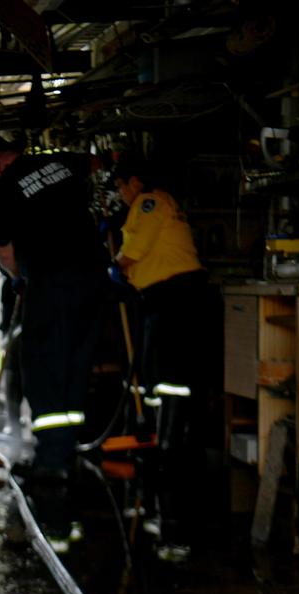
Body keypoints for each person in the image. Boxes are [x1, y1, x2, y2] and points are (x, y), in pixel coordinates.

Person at [0, 136, 106, 488]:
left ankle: (51, 462)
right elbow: (97, 164)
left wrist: (18, 281)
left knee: (43, 367)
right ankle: (67, 451)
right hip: (94, 279)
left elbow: (6, 254)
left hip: (51, 282)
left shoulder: (2, 195)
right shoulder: (62, 162)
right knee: (75, 365)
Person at [110, 159, 206, 548]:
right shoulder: (150, 205)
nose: (121, 193)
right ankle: (154, 436)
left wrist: (115, 268)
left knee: (169, 374)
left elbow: (137, 248)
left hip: (176, 295)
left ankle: (168, 445)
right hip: (161, 296)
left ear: (135, 181)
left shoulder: (149, 201)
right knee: (154, 370)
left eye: (120, 187)